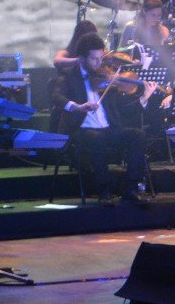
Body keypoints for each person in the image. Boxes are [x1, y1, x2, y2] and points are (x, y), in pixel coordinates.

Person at [51, 32, 158, 206]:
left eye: (101, 58)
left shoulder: (105, 76)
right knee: (96, 138)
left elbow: (122, 111)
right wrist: (77, 106)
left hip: (108, 130)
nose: (99, 63)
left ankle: (131, 189)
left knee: (138, 135)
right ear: (82, 58)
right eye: (94, 59)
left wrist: (144, 98)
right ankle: (104, 190)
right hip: (81, 131)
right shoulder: (68, 75)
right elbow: (56, 97)